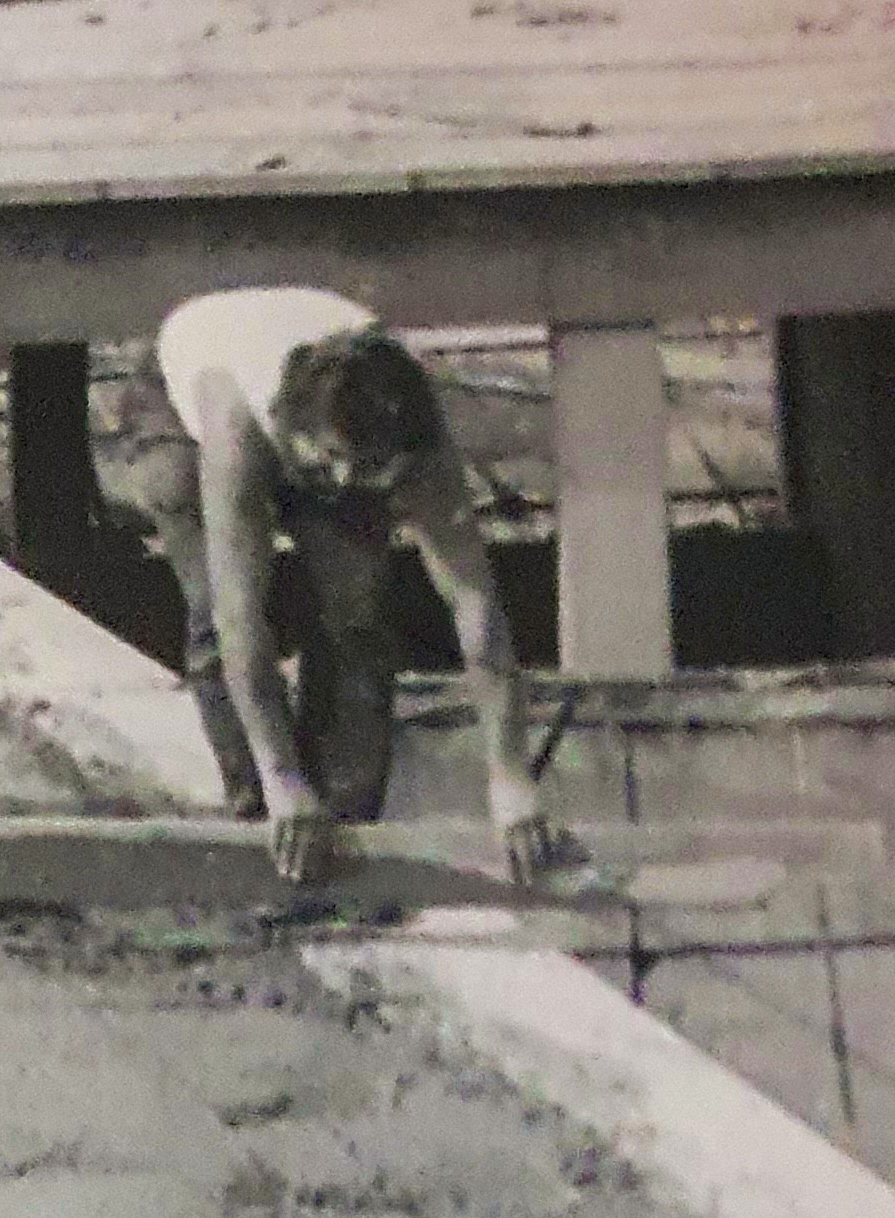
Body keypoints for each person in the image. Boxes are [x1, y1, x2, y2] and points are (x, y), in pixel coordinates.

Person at [122, 286, 570, 893]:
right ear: (295, 429)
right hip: (179, 412)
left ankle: (348, 835)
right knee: (212, 611)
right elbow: (240, 619)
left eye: (367, 471)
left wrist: (510, 776)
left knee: (358, 616)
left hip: (330, 424)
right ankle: (267, 829)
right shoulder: (236, 421)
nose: (343, 484)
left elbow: (473, 601)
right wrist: (284, 779)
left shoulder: (412, 433)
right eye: (331, 464)